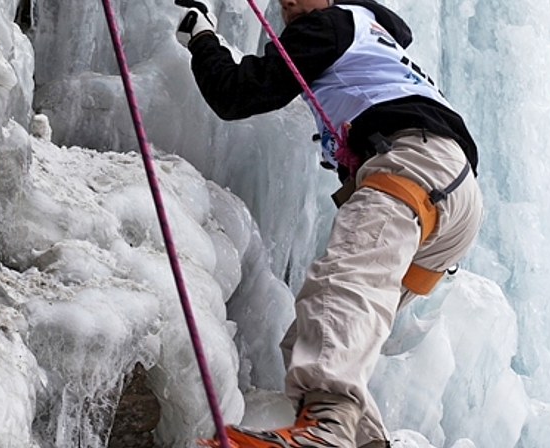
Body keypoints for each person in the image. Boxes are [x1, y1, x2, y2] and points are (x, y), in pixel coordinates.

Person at [175, 0, 483, 446]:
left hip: (412, 166)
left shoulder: (329, 24)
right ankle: (362, 440)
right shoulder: (371, 30)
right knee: (309, 334)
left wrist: (201, 36)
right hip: (451, 195)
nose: (287, 4)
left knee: (340, 288)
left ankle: (326, 431)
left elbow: (236, 92)